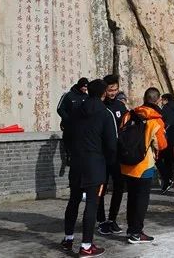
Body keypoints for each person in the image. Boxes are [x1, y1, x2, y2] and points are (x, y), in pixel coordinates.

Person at [62, 79, 117, 257]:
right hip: (95, 164)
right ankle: (86, 246)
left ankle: (68, 239)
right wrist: (109, 162)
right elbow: (111, 144)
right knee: (92, 204)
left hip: (77, 162)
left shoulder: (76, 111)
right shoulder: (105, 114)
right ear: (102, 93)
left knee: (73, 201)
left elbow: (67, 135)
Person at [120, 87, 167, 244]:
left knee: (132, 198)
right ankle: (136, 232)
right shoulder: (155, 119)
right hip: (144, 165)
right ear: (158, 100)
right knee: (141, 200)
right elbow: (161, 145)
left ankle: (130, 230)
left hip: (126, 164)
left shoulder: (130, 114)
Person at [96, 75, 128, 236]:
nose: (113, 93)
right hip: (101, 156)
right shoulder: (98, 107)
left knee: (119, 187)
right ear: (104, 90)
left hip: (117, 155)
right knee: (101, 188)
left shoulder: (120, 107)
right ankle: (101, 220)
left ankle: (112, 219)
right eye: (110, 90)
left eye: (115, 89)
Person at [58, 78, 90, 163]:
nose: (85, 89)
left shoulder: (87, 97)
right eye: (84, 87)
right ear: (80, 86)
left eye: (86, 87)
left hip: (82, 127)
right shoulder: (68, 95)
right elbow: (60, 109)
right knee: (69, 142)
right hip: (70, 126)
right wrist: (68, 119)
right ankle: (69, 155)